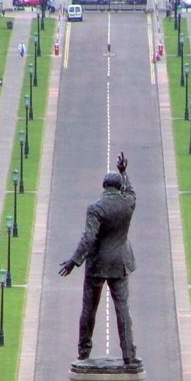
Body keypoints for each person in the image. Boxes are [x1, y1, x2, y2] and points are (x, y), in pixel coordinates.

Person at [59, 152, 138, 364]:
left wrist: (74, 261)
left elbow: (88, 237)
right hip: (120, 262)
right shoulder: (128, 203)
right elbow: (131, 191)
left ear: (104, 187)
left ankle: (84, 351)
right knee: (123, 309)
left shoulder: (96, 208)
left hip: (98, 263)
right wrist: (124, 172)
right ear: (118, 187)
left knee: (89, 309)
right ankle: (129, 354)